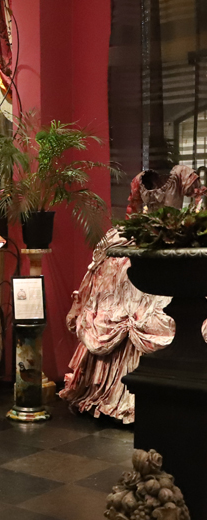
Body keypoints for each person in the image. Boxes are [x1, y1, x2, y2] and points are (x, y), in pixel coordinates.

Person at [60, 162, 204, 423]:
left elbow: (199, 199)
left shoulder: (181, 174)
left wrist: (189, 226)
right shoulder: (140, 180)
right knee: (119, 285)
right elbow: (133, 211)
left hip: (174, 234)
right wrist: (137, 230)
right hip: (148, 235)